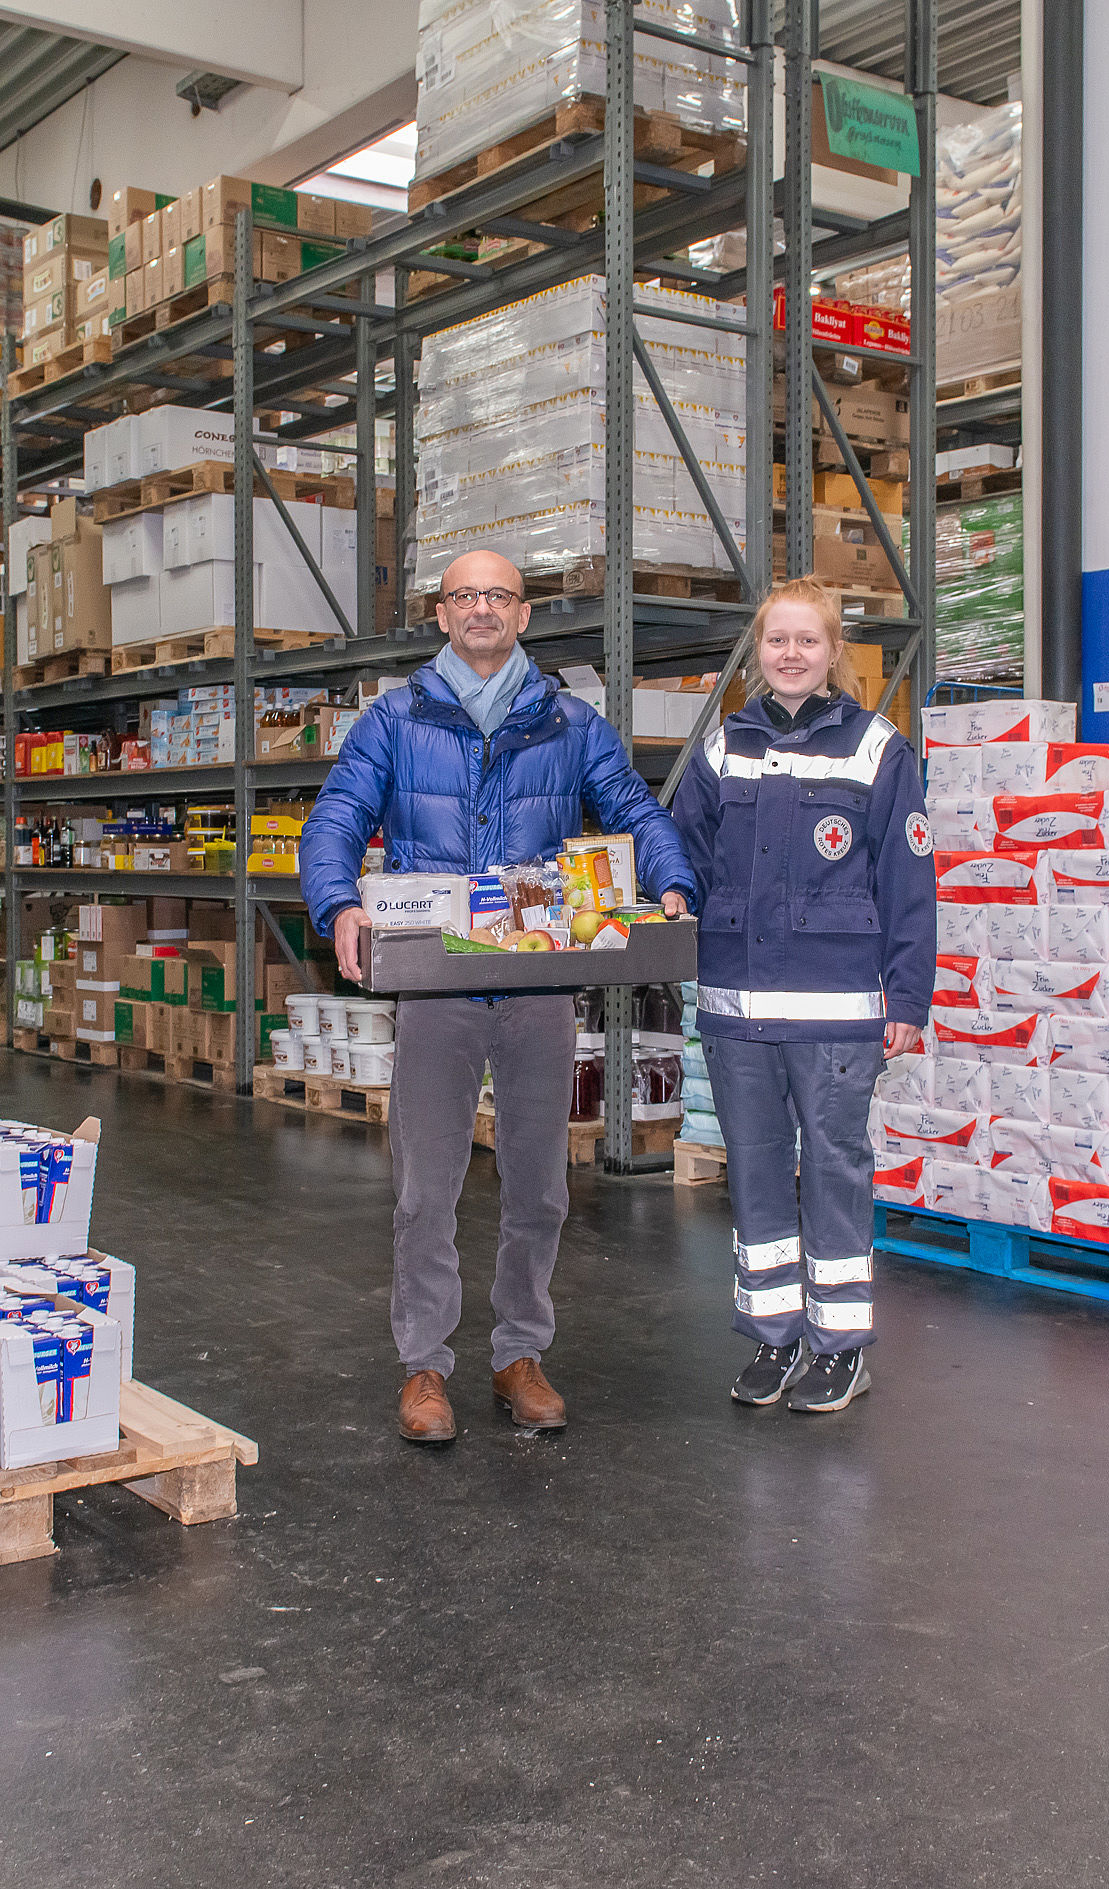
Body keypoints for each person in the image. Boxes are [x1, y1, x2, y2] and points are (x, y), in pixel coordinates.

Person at [299, 548, 698, 1445]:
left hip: (537, 981)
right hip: (437, 983)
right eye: (464, 595)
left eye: (499, 596)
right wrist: (338, 901)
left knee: (539, 1184)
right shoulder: (393, 720)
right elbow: (336, 818)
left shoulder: (570, 723)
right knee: (425, 1186)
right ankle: (424, 1364)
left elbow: (632, 807)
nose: (481, 608)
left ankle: (520, 1352)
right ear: (442, 614)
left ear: (523, 615)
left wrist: (671, 878)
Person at [667, 577, 931, 1415]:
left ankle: (840, 1345)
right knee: (753, 1169)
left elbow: (909, 882)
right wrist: (663, 892)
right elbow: (682, 850)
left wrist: (909, 1000)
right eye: (776, 640)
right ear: (758, 651)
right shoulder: (724, 748)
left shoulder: (877, 750)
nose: (790, 654)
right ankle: (773, 1334)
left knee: (833, 1168)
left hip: (835, 1012)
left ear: (832, 652)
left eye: (806, 640)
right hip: (737, 1009)